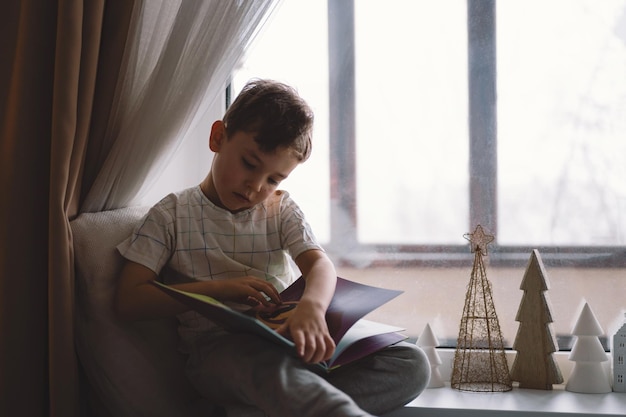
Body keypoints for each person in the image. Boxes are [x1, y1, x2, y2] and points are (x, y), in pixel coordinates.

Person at [115, 79, 430, 417]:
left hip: (288, 345)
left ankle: (273, 407)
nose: (255, 186)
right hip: (221, 354)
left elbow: (320, 266)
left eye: (274, 179)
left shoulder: (280, 210)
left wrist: (311, 307)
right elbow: (129, 299)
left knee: (411, 362)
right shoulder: (172, 214)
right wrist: (218, 290)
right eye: (249, 164)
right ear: (218, 137)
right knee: (263, 370)